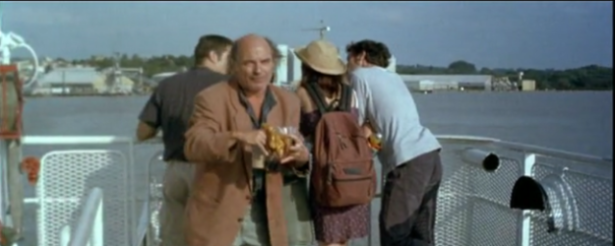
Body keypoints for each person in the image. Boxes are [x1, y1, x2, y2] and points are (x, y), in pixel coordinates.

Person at [183, 34, 312, 246]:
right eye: (249, 63)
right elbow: (194, 145)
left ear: (274, 63)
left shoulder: (289, 101)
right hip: (221, 212)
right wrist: (238, 138)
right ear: (234, 65)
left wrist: (302, 156)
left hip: (269, 213)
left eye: (265, 62)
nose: (258, 70)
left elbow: (294, 160)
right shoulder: (210, 98)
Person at [135, 34, 233, 246]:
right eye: (229, 56)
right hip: (212, 170)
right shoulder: (229, 86)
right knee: (214, 235)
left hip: (175, 170)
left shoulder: (167, 85)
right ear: (213, 56)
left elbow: (142, 132)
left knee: (173, 236)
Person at [347, 40, 443, 246]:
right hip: (430, 155)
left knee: (394, 234)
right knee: (421, 234)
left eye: (349, 58)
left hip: (408, 161)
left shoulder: (358, 76)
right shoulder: (393, 77)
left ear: (362, 56)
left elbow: (354, 122)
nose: (347, 65)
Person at [294, 40, 369, 246]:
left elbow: (298, 132)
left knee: (328, 241)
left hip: (326, 177)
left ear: (307, 67)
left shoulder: (303, 93)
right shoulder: (349, 93)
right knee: (344, 240)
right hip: (353, 175)